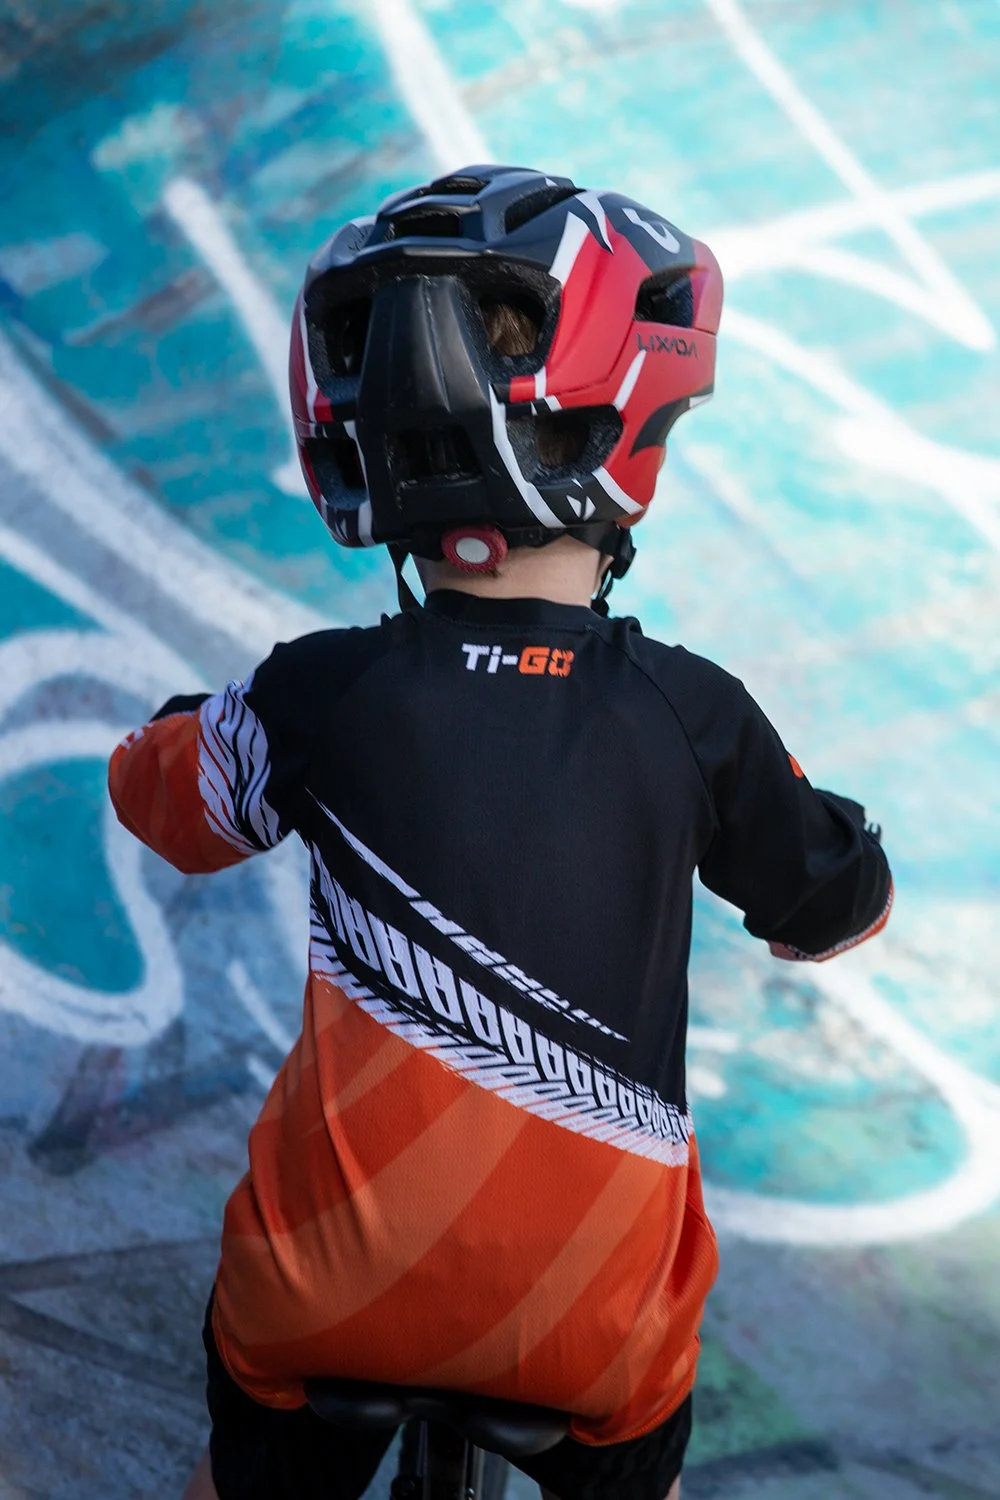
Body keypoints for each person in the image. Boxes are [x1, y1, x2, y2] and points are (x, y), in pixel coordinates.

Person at [108, 165, 892, 1500]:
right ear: (630, 435)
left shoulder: (318, 693)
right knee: (640, 1441)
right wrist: (841, 861)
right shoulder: (692, 715)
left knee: (242, 1471)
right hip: (590, 1331)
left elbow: (162, 806)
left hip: (321, 1302)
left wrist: (197, 726)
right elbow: (832, 902)